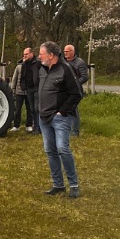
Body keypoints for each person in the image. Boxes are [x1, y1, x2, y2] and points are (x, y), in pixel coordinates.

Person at [37, 40, 83, 197]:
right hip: (44, 118)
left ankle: (74, 185)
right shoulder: (42, 69)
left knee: (62, 148)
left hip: (60, 118)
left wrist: (62, 112)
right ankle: (58, 185)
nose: (39, 56)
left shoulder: (66, 69)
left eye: (41, 54)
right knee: (50, 150)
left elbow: (77, 94)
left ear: (51, 55)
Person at [63, 43, 89, 136]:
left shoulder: (79, 62)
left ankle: (75, 131)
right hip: (64, 90)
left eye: (67, 51)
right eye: (64, 51)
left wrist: (75, 84)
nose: (65, 53)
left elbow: (85, 77)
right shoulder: (63, 62)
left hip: (75, 91)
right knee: (65, 109)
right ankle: (66, 128)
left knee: (73, 109)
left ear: (72, 52)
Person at [11, 46, 39, 131]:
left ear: (31, 53)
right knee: (18, 110)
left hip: (29, 91)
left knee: (30, 109)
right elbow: (15, 78)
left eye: (26, 54)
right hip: (20, 91)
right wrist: (13, 88)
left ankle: (29, 125)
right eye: (24, 54)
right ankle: (16, 125)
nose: (24, 56)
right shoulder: (20, 66)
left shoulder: (36, 64)